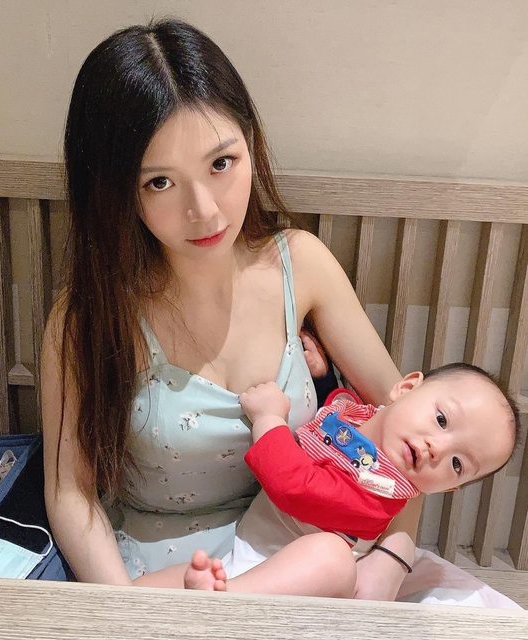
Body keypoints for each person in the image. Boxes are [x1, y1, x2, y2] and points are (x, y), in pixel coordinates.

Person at [41, 18, 419, 596]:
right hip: (159, 583)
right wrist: (125, 614)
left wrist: (389, 565)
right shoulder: (90, 318)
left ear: (250, 144)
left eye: (221, 164)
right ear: (114, 190)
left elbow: (409, 424)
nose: (206, 211)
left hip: (299, 575)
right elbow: (70, 492)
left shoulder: (301, 265)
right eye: (160, 183)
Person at [136, 362, 518, 595]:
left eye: (457, 464)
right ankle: (200, 598)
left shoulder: (382, 493)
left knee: (333, 558)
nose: (438, 448)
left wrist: (269, 419)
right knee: (143, 592)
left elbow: (295, 486)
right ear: (405, 388)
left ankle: (228, 603)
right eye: (442, 420)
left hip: (301, 590)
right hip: (242, 556)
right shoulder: (356, 416)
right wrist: (320, 374)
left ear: (450, 488)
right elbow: (329, 420)